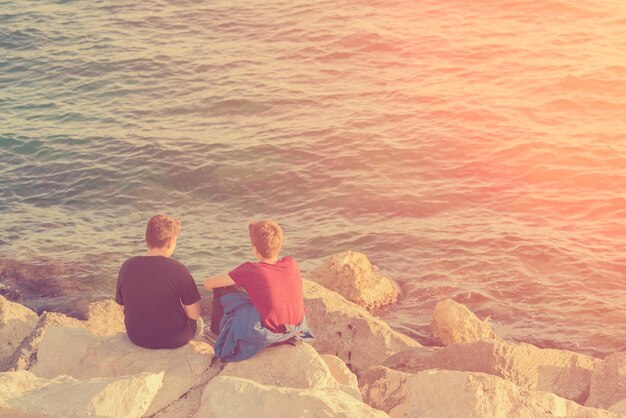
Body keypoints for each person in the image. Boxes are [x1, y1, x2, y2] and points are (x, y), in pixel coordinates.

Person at [203, 219, 313, 362]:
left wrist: (218, 280)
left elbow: (208, 284)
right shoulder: (290, 263)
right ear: (279, 245)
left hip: (268, 333)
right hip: (294, 329)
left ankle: (216, 333)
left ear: (254, 249)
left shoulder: (252, 269)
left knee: (222, 287)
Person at [116, 214, 202, 349]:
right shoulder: (179, 270)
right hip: (174, 339)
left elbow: (123, 308)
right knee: (200, 322)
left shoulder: (127, 266)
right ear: (170, 242)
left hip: (136, 337)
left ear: (147, 239)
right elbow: (194, 314)